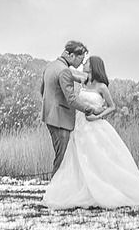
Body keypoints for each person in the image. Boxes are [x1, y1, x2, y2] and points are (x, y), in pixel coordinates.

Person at [42, 55, 139, 209]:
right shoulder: (83, 82)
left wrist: (98, 116)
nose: (84, 63)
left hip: (95, 128)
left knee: (101, 159)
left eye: (87, 62)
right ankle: (84, 190)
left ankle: (106, 189)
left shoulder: (101, 86)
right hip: (80, 127)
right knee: (80, 160)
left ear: (94, 66)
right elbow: (66, 76)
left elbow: (112, 106)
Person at [40, 40, 97, 175]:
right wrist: (90, 109)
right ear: (71, 55)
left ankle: (59, 190)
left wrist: (77, 78)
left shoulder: (51, 66)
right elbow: (71, 99)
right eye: (81, 59)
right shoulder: (64, 71)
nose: (81, 64)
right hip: (60, 120)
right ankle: (54, 190)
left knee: (61, 156)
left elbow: (42, 90)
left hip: (50, 116)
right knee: (62, 159)